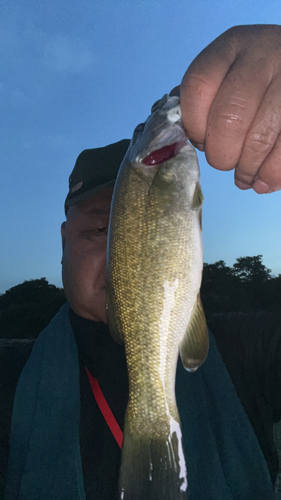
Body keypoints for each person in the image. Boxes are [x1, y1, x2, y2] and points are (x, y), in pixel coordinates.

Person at [5, 24, 281, 500]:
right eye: (99, 229)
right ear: (64, 242)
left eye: (130, 225)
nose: (119, 251)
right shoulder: (10, 377)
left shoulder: (245, 350)